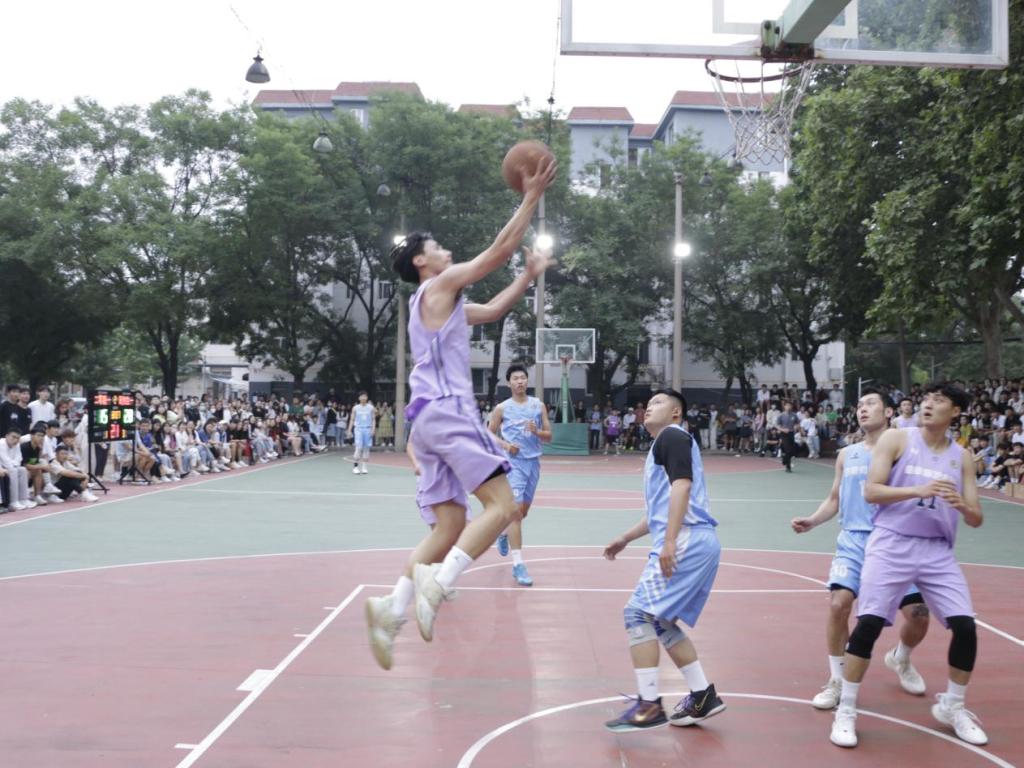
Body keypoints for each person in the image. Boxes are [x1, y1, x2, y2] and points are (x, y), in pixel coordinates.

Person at [363, 153, 557, 668]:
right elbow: (498, 250)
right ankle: (441, 583)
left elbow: (491, 310)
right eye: (437, 247)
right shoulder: (439, 285)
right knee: (504, 507)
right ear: (421, 262)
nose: (445, 251)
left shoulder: (434, 304)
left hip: (426, 423)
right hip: (449, 412)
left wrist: (527, 276)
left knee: (448, 526)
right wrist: (531, 197)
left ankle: (391, 608)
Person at [830, 382, 987, 748]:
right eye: (926, 399)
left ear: (956, 412)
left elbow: (976, 517)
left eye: (939, 401)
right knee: (869, 624)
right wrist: (918, 490)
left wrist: (962, 506)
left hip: (937, 551)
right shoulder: (897, 439)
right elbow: (872, 491)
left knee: (965, 627)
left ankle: (953, 706)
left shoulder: (962, 457)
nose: (928, 405)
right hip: (891, 543)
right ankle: (846, 709)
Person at [791, 389, 930, 711]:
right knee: (839, 604)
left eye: (870, 404)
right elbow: (835, 499)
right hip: (853, 541)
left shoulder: (905, 452)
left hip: (894, 542)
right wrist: (813, 520)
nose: (862, 409)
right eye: (859, 405)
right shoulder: (846, 454)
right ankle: (837, 679)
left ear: (889, 412)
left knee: (919, 615)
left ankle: (901, 657)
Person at [602, 389, 726, 732]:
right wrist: (626, 537)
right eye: (648, 403)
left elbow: (681, 488)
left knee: (637, 613)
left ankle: (649, 704)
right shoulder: (665, 443)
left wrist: (670, 541)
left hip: (687, 538)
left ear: (676, 413)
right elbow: (661, 509)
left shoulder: (672, 436)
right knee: (661, 621)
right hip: (695, 540)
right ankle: (703, 695)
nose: (648, 407)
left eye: (658, 402)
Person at [488, 363, 552, 586]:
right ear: (509, 383)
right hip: (513, 464)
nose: (520, 381)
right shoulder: (502, 408)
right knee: (515, 514)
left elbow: (549, 436)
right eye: (515, 378)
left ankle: (504, 533)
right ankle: (518, 565)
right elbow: (488, 434)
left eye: (522, 377)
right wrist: (506, 446)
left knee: (522, 513)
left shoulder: (538, 405)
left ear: (527, 380)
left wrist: (537, 431)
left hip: (533, 464)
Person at [348, 392, 375, 474]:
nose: (363, 398)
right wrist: (349, 430)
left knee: (366, 448)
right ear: (359, 398)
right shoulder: (355, 408)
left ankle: (364, 467)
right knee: (359, 447)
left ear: (367, 398)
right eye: (362, 396)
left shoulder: (371, 408)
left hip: (368, 429)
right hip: (358, 429)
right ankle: (355, 467)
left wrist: (373, 429)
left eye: (365, 396)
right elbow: (352, 419)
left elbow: (373, 419)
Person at [776, 401, 800, 472]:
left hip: (791, 433)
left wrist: (796, 426)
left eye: (790, 405)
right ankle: (788, 467)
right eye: (787, 405)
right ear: (784, 406)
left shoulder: (794, 415)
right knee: (788, 450)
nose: (788, 407)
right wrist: (783, 429)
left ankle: (784, 459)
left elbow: (798, 423)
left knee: (791, 450)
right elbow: (777, 425)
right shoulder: (781, 415)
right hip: (784, 434)